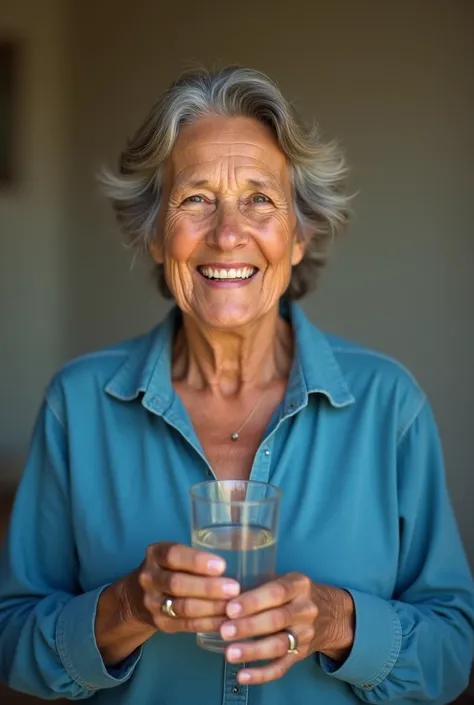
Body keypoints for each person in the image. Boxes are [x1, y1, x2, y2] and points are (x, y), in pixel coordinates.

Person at [0, 66, 472, 705]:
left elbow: (453, 651)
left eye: (260, 199)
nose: (228, 234)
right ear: (156, 231)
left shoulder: (388, 404)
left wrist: (337, 621)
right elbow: (12, 641)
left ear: (299, 235)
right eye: (195, 198)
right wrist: (124, 607)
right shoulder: (78, 405)